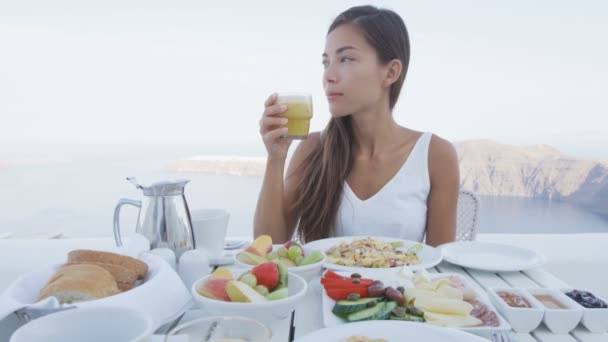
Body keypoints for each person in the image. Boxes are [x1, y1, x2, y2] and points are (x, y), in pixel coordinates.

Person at [254, 5, 459, 247]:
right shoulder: (312, 149)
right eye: (326, 62)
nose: (328, 75)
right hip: (323, 286)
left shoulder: (436, 155)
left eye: (346, 59)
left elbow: (440, 264)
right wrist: (275, 158)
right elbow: (267, 246)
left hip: (403, 286)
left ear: (390, 72)